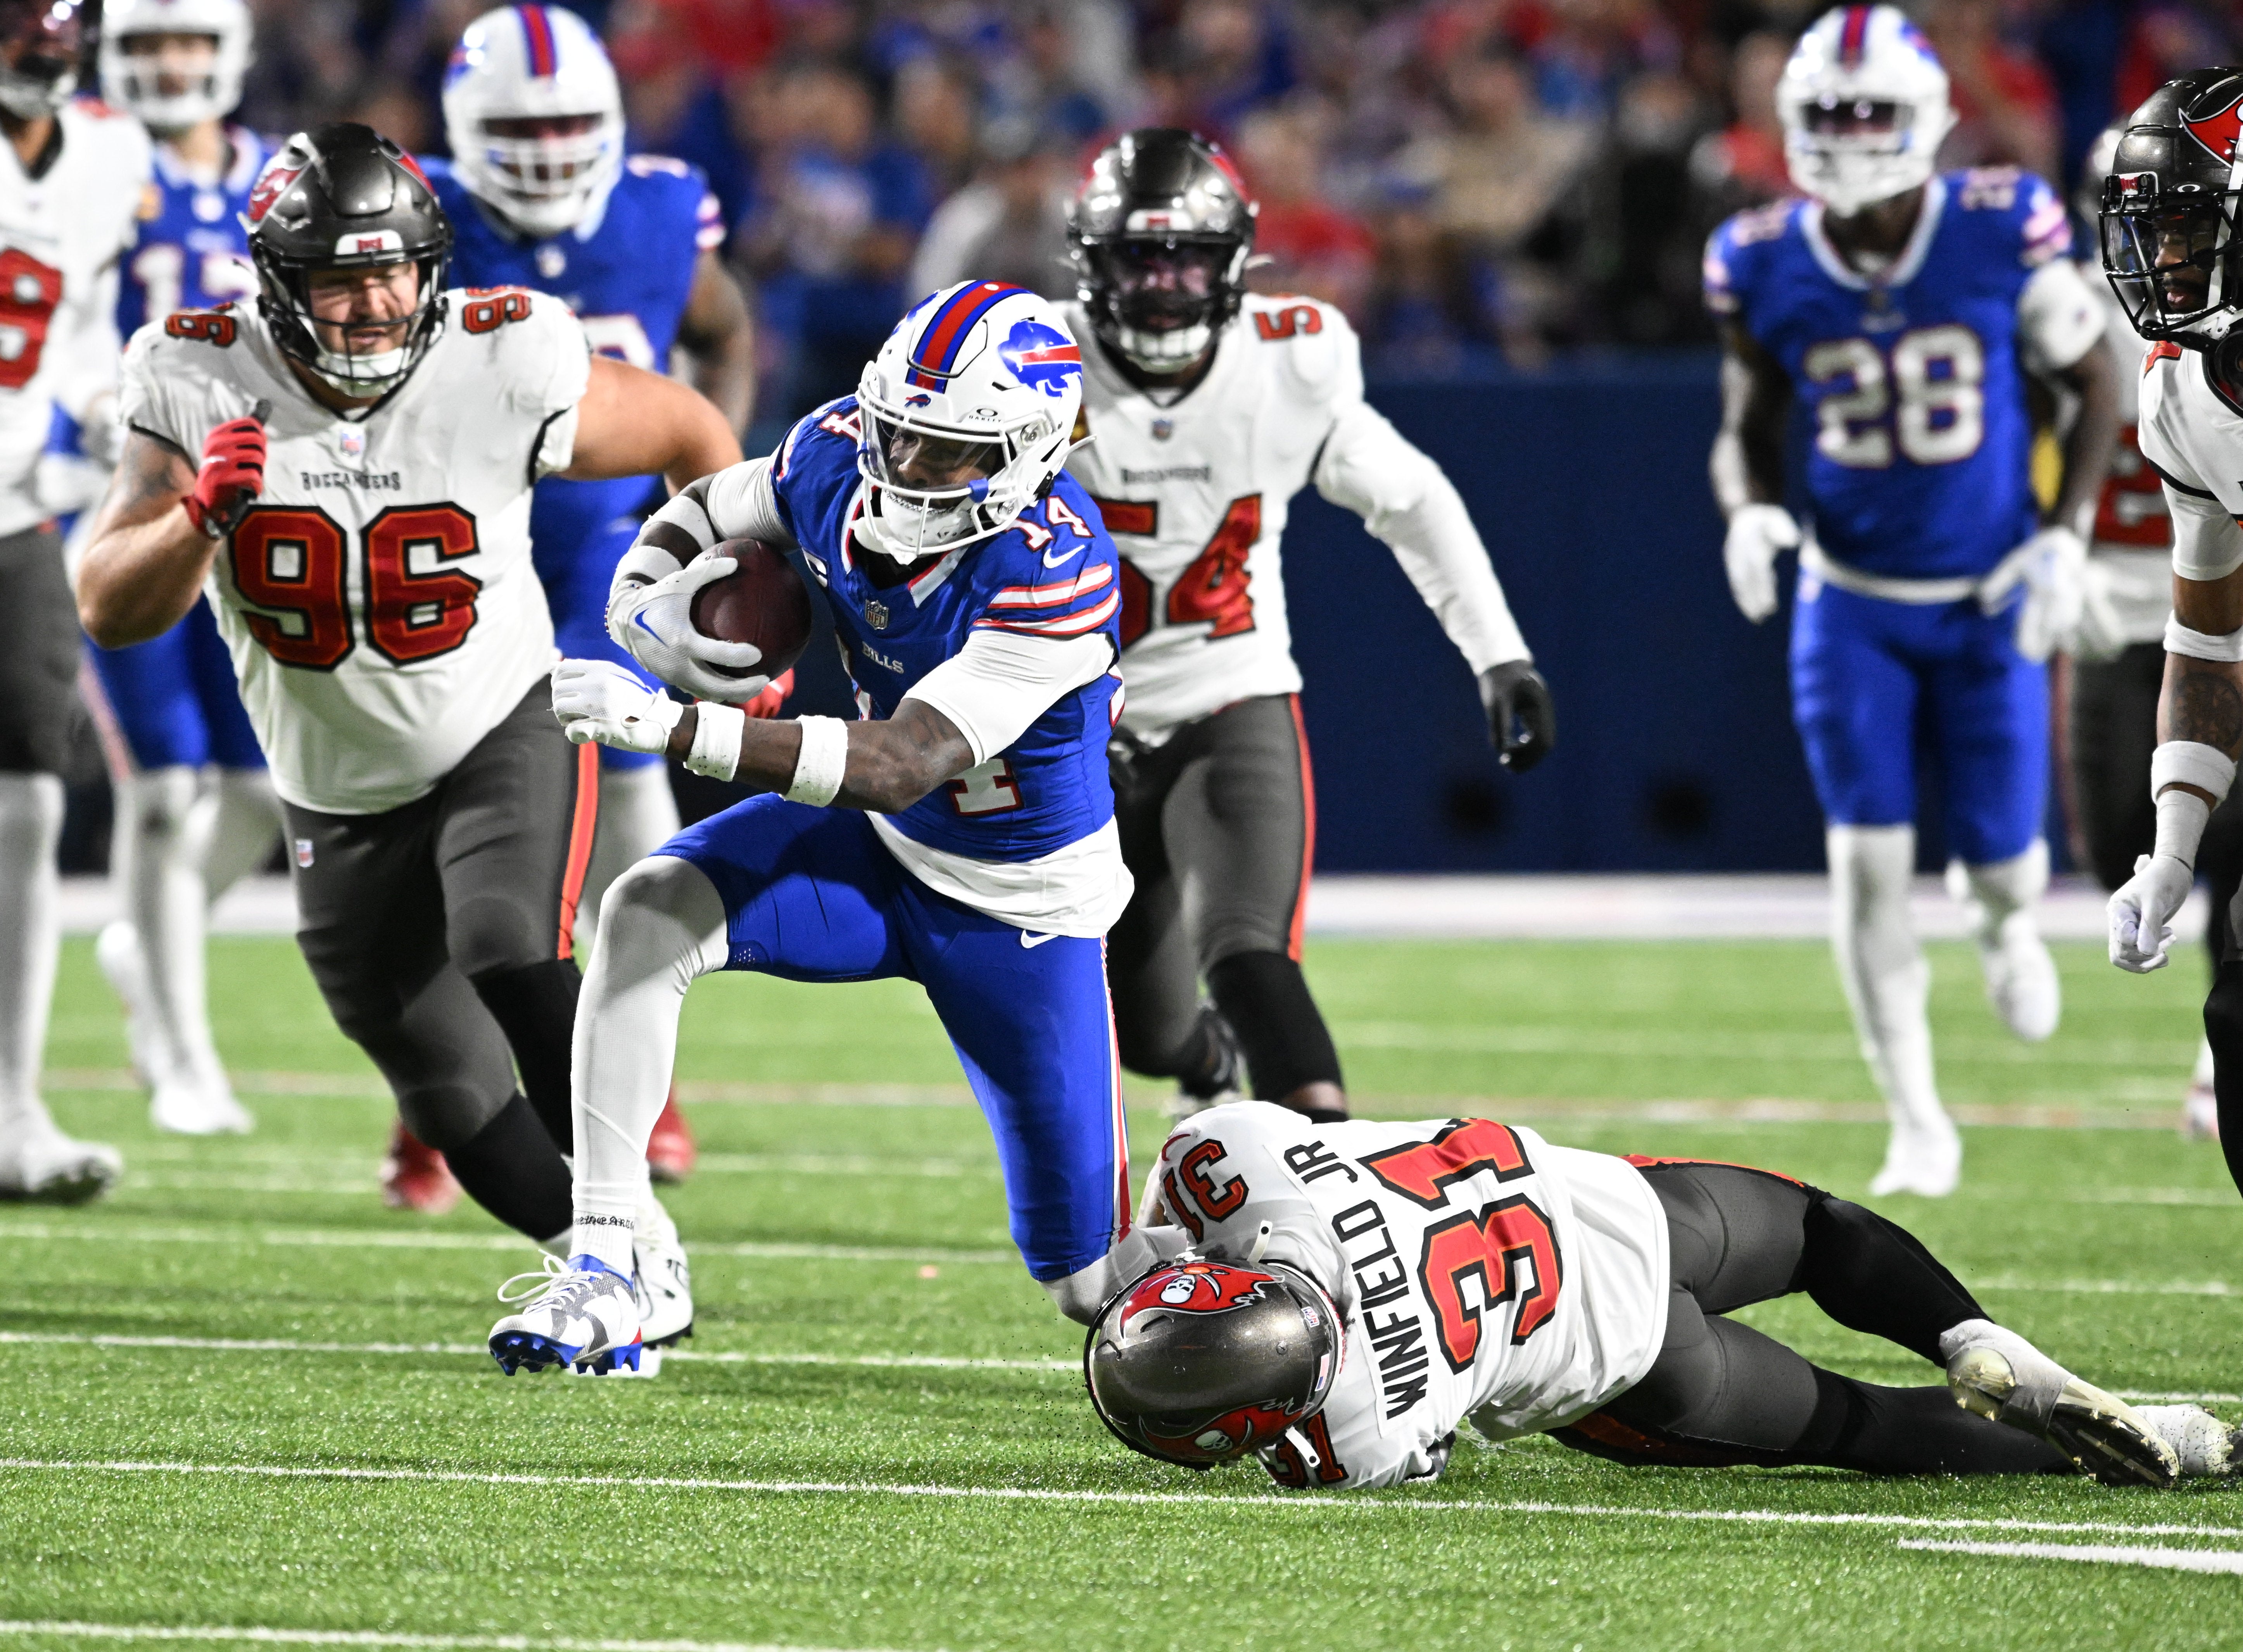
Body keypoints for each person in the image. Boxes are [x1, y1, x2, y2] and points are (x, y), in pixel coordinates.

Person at [75, 123, 740, 1362]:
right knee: (449, 1100)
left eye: (394, 269)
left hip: (502, 717)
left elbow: (696, 434)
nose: (377, 302)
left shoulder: (505, 351)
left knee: (504, 935)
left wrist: (735, 606)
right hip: (328, 789)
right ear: (279, 283)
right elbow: (110, 606)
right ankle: (644, 1270)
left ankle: (614, 1256)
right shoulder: (197, 372)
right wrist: (199, 521)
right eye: (339, 275)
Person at [490, 282, 1138, 1374]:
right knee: (650, 909)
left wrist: (672, 722)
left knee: (1091, 1284)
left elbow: (899, 765)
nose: (905, 467)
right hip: (882, 860)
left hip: (1018, 907)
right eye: (899, 430)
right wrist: (644, 607)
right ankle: (611, 1262)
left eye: (946, 451)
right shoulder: (834, 449)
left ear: (1026, 453)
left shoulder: (1056, 566)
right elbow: (702, 510)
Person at [1705, 5, 2116, 1198]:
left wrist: (2064, 535)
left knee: (2007, 868)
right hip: (1853, 605)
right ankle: (1917, 1114)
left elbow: (2092, 385)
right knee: (1868, 863)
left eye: (1868, 111)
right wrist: (1744, 507)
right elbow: (1743, 422)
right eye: (1827, 114)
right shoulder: (1761, 254)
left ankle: (2000, 924)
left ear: (1927, 119)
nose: (1847, 134)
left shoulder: (1995, 227)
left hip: (1989, 595)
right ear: (1791, 123)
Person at [1060, 128, 1553, 1123]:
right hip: (1072, 721)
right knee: (1144, 1031)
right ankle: (1202, 1061)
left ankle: (1342, 1179)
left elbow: (1412, 501)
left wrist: (1499, 655)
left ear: (1233, 260)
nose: (1162, 284)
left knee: (1248, 954)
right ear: (1090, 262)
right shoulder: (1031, 363)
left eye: (1185, 257)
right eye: (1138, 257)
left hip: (1226, 695)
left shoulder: (1289, 363)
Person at [370, 2, 761, 1206]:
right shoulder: (413, 210)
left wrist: (714, 489)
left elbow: (720, 327)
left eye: (567, 128)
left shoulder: (653, 206)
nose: (544, 156)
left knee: (632, 812)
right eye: (520, 131)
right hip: (453, 552)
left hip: (597, 547)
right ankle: (438, 1099)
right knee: (449, 831)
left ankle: (642, 1086)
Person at [1081, 1100, 2234, 1491]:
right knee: (1830, 1230)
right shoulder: (1236, 1155)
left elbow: (1377, 1451)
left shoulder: (1355, 1429)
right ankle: (1967, 1329)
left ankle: (2172, 1440)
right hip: (1631, 1213)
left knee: (1858, 1426)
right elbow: (1222, 1165)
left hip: (1632, 1363)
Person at [73, 0, 280, 1141]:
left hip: (248, 506)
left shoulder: (273, 175)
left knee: (254, 790)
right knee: (162, 791)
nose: (170, 64)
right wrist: (89, 399)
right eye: (148, 43)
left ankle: (139, 946)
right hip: (116, 498)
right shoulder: (80, 162)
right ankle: (179, 1052)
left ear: (231, 53)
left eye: (189, 42)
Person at [2062, 121, 2243, 1142]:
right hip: (2131, 604)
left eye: (2184, 225)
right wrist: (2173, 851)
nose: (2158, 258)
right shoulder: (2181, 384)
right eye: (2149, 227)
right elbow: (2211, 632)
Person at [0, 0, 152, 1202]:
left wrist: (104, 409)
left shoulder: (110, 152)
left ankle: (12, 1103)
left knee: (28, 809)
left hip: (20, 513)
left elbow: (88, 332)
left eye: (58, 20)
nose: (40, 44)